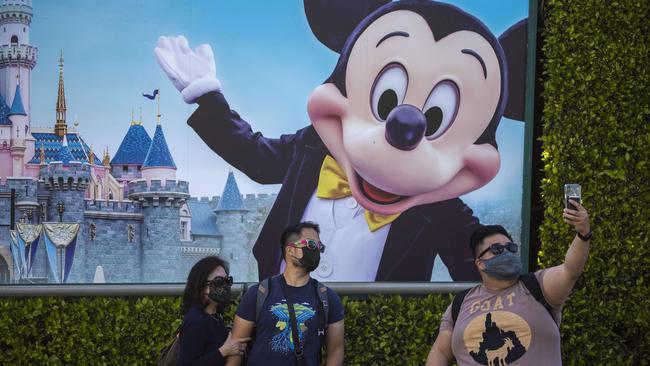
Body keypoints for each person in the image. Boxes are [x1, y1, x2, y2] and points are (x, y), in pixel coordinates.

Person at [426, 201, 591, 365]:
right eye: (496, 249)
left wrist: (583, 234)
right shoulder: (460, 304)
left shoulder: (538, 287)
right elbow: (440, 352)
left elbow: (571, 269)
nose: (505, 252)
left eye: (510, 248)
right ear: (480, 263)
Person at [226, 222, 345, 366]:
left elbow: (336, 350)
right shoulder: (258, 293)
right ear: (290, 251)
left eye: (320, 247)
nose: (316, 251)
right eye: (311, 245)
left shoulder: (327, 298)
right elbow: (237, 346)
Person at [180, 256, 251, 365]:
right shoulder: (196, 321)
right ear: (201, 285)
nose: (225, 286)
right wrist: (224, 351)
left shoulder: (215, 316)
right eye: (218, 281)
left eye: (228, 280)